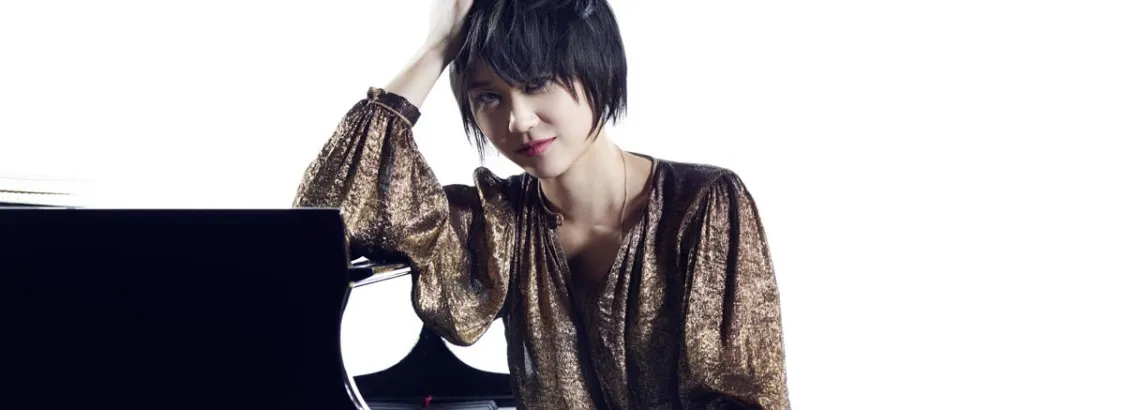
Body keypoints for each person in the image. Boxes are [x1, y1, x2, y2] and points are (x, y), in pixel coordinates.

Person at [292, 0, 791, 408]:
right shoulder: (497, 222)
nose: (519, 120)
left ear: (598, 69)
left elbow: (740, 396)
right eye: (489, 98)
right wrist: (435, 49)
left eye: (536, 84)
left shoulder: (702, 205)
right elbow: (322, 222)